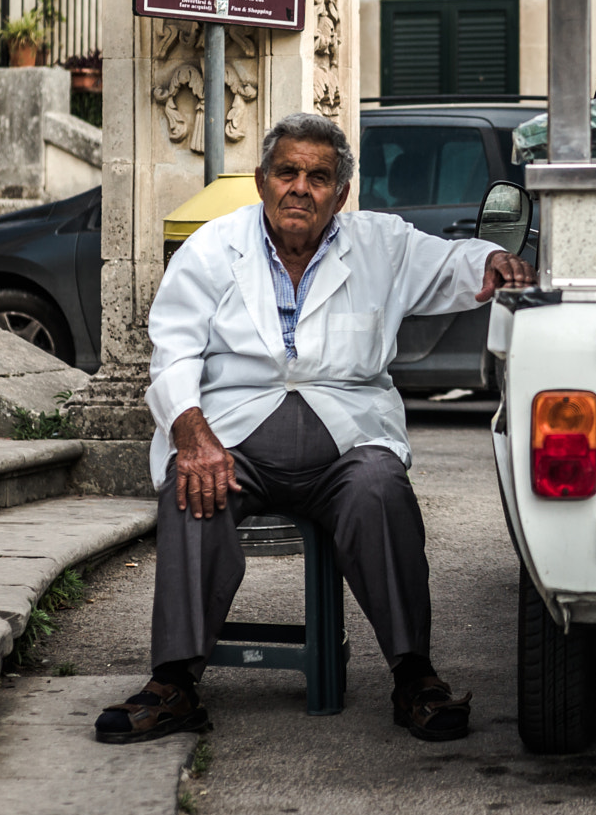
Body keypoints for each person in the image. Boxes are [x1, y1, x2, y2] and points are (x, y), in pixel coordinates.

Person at [94, 112, 533, 745]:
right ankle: (174, 684)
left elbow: (457, 262)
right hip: (234, 438)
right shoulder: (215, 247)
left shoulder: (380, 244)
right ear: (262, 180)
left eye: (318, 177)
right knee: (192, 489)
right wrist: (191, 433)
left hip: (345, 443)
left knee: (380, 486)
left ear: (341, 194)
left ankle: (415, 676)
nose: (300, 187)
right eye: (287, 172)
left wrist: (496, 258)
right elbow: (174, 350)